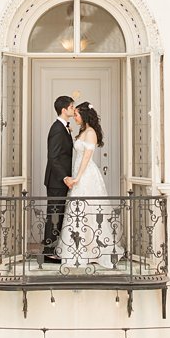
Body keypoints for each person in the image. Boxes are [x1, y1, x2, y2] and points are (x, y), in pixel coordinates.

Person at [61, 102, 115, 270]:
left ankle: (93, 249)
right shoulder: (83, 131)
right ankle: (79, 248)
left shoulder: (91, 133)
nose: (74, 117)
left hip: (86, 174)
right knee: (78, 211)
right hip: (79, 171)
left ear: (84, 116)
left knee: (88, 210)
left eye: (76, 114)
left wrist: (78, 177)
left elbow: (86, 157)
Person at [41, 95, 75, 264]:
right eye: (71, 107)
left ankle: (52, 249)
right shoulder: (56, 128)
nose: (73, 110)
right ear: (64, 110)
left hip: (60, 180)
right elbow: (53, 157)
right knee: (54, 215)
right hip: (56, 180)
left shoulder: (64, 128)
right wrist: (64, 177)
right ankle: (48, 252)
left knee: (58, 214)